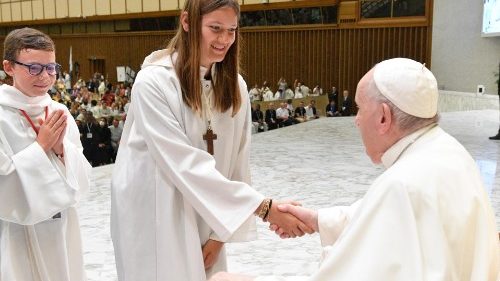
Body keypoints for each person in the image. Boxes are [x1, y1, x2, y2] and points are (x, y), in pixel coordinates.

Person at [210, 58, 500, 281]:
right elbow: (386, 218)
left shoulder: (403, 183)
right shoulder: (447, 151)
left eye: (361, 109)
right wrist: (318, 219)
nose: (357, 121)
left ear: (384, 117)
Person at [110, 1, 311, 281]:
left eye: (231, 31)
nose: (224, 40)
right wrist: (265, 209)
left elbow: (237, 161)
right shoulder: (153, 83)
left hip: (208, 210)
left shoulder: (234, 85)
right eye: (215, 29)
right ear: (187, 22)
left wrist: (219, 234)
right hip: (156, 213)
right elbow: (181, 162)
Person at [0, 27, 91, 281]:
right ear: (9, 67)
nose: (45, 77)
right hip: (19, 232)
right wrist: (40, 148)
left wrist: (62, 151)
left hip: (63, 227)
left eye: (51, 68)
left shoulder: (59, 110)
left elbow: (82, 177)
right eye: (34, 68)